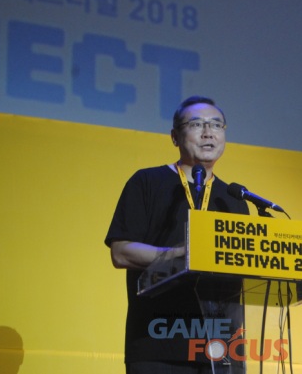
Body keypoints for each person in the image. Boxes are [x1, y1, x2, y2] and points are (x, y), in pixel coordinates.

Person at [105, 96, 249, 374]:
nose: (208, 132)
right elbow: (121, 252)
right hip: (158, 341)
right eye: (196, 124)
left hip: (220, 347)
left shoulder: (234, 198)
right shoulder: (147, 182)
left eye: (216, 125)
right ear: (174, 136)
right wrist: (180, 255)